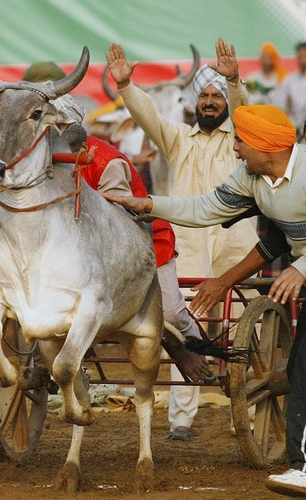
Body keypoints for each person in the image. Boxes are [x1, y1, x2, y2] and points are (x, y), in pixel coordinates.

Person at [106, 103, 306, 497]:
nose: (234, 149)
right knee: (301, 367)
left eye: (240, 141)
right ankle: (301, 467)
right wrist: (151, 206)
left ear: (267, 147)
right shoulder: (253, 179)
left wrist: (301, 267)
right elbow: (206, 207)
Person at [106, 39, 256, 440]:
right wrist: (125, 87)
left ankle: (246, 414)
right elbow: (148, 117)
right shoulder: (179, 139)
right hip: (187, 243)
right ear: (196, 102)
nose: (209, 102)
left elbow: (246, 110)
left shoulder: (242, 139)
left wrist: (234, 79)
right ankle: (181, 421)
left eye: (216, 96)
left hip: (237, 245)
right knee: (180, 327)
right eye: (204, 96)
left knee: (242, 326)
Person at [279, 42, 306, 138]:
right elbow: (281, 105)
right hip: (292, 131)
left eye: (304, 55)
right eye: (300, 55)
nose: (302, 58)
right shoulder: (290, 79)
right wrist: (288, 104)